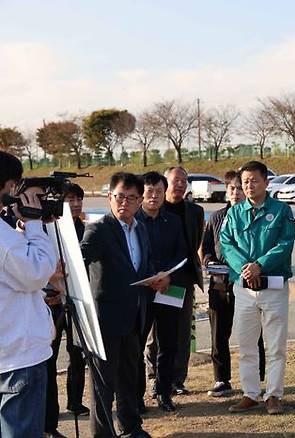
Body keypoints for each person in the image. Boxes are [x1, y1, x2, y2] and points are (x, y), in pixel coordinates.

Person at [81, 172, 169, 438]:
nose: (125, 203)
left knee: (129, 378)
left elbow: (144, 265)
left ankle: (131, 427)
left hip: (134, 316)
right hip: (104, 319)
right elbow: (79, 259)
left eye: (132, 198)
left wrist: (157, 277)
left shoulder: (140, 228)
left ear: (140, 200)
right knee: (103, 384)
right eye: (120, 197)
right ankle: (102, 434)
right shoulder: (99, 229)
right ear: (110, 197)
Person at [221, 161, 295, 415]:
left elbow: (285, 243)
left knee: (276, 345)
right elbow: (226, 243)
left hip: (273, 286)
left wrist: (260, 266)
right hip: (243, 288)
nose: (249, 186)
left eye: (254, 180)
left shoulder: (282, 210)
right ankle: (250, 393)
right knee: (246, 344)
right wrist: (246, 268)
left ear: (266, 182)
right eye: (245, 182)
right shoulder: (234, 212)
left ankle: (274, 394)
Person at [0, 151, 57, 437]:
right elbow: (37, 272)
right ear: (10, 187)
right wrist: (34, 224)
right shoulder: (2, 237)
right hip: (17, 358)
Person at [201, 170, 266, 398]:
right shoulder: (216, 217)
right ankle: (221, 379)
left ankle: (257, 378)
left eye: (240, 188)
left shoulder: (252, 215)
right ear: (226, 191)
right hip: (219, 284)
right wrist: (209, 261)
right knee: (219, 333)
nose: (236, 193)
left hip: (247, 283)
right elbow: (207, 247)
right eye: (232, 189)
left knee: (252, 332)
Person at [146, 166, 204, 396]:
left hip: (181, 279)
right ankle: (154, 377)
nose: (179, 184)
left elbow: (193, 244)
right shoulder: (153, 210)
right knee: (154, 335)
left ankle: (177, 379)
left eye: (184, 180)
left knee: (180, 333)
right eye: (175, 180)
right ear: (165, 184)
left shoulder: (195, 211)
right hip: (154, 280)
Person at [136, 172, 186, 412]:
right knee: (136, 344)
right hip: (142, 290)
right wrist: (150, 278)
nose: (154, 196)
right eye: (149, 191)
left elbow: (182, 253)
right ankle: (136, 396)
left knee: (168, 343)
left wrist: (168, 277)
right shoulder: (133, 221)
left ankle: (164, 392)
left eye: (158, 191)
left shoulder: (173, 221)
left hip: (170, 288)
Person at [44, 183, 89, 438]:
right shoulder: (47, 228)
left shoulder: (84, 228)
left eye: (78, 199)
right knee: (49, 360)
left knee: (78, 354)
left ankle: (75, 401)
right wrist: (50, 288)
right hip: (51, 303)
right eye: (69, 199)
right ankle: (49, 420)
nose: (75, 204)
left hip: (77, 300)